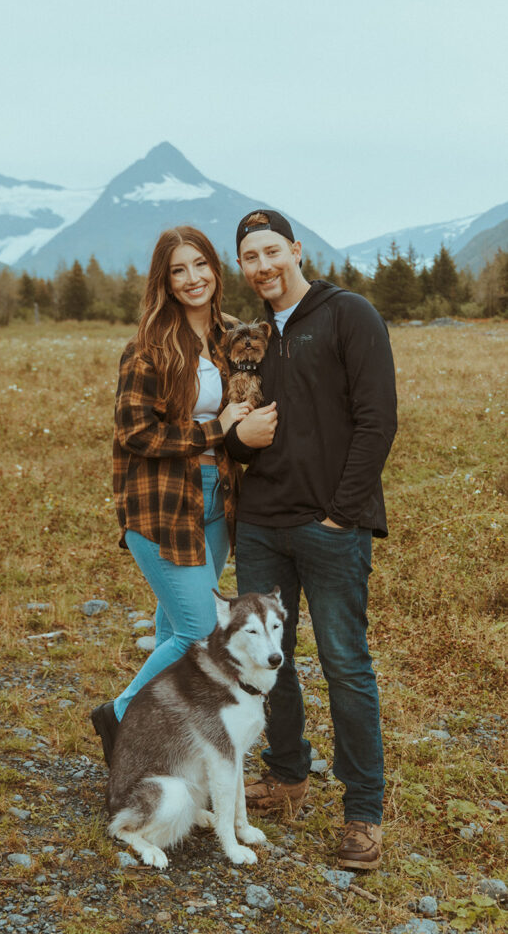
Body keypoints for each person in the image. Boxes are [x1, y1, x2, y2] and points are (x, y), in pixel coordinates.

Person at [226, 209, 397, 870]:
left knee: (344, 664)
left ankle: (362, 814)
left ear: (296, 250)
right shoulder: (248, 336)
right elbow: (235, 428)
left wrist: (341, 513)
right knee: (267, 660)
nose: (263, 266)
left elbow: (376, 417)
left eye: (272, 251)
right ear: (242, 269)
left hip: (330, 526)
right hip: (262, 526)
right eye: (249, 257)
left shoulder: (347, 314)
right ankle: (288, 774)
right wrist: (236, 442)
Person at [91, 226, 251, 766]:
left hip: (218, 498)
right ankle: (121, 716)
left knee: (170, 623)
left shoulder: (232, 336)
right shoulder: (148, 346)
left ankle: (158, 742)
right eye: (178, 270)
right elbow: (134, 432)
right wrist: (215, 430)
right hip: (161, 503)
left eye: (200, 265)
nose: (192, 279)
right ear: (165, 279)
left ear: (215, 268)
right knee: (199, 632)